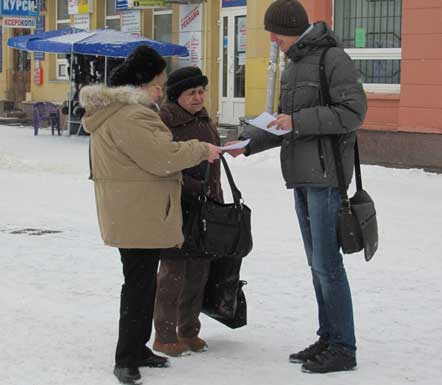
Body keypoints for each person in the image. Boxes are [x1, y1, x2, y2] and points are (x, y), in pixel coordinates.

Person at [226, 0, 367, 374]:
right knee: (316, 264)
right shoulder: (294, 67)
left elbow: (353, 113)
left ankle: (343, 347)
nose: (272, 39)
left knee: (328, 265)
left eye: (275, 32)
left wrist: (299, 120)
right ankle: (328, 335)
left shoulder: (332, 59)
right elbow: (284, 125)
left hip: (326, 178)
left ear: (291, 28)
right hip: (301, 177)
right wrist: (250, 143)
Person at [80, 46, 221, 385]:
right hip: (138, 212)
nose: (162, 91)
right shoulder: (133, 115)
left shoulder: (115, 112)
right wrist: (202, 150)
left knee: (141, 284)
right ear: (140, 84)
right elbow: (162, 156)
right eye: (158, 85)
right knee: (138, 285)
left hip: (130, 209)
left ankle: (138, 349)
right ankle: (126, 357)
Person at [153, 66, 223, 357]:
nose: (198, 97)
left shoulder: (204, 118)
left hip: (207, 205)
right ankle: (165, 335)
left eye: (201, 91)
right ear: (176, 95)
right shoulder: (165, 120)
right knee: (173, 272)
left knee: (199, 269)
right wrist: (195, 186)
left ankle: (189, 330)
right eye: (191, 93)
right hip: (177, 204)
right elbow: (162, 162)